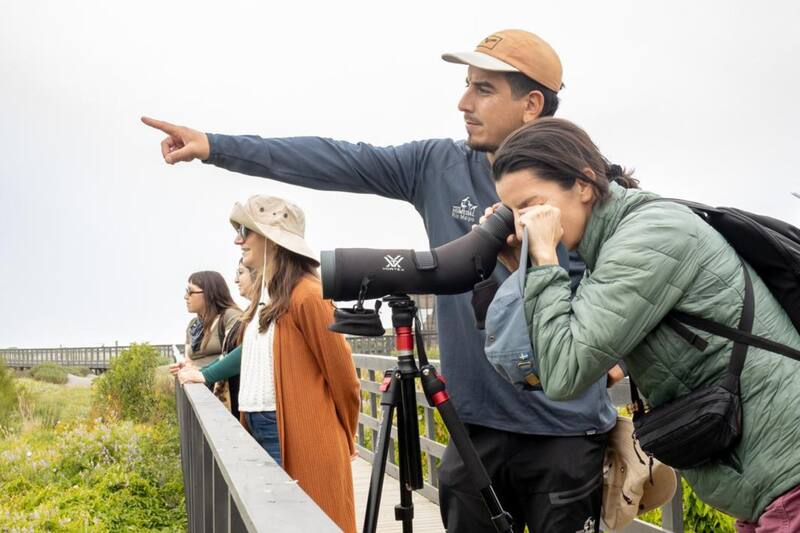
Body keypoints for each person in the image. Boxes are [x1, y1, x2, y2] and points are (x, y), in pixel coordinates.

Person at [144, 30, 621, 532]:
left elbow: (630, 282)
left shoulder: (580, 182)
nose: (463, 102)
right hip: (470, 427)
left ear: (532, 104)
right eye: (467, 85)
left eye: (484, 89)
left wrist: (619, 353)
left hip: (565, 431)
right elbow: (337, 159)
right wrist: (215, 147)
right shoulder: (437, 165)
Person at [491, 117, 800, 531]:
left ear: (584, 184)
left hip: (789, 481)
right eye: (513, 212)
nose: (523, 223)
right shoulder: (616, 241)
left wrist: (545, 263)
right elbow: (541, 367)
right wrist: (527, 268)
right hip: (772, 488)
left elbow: (565, 372)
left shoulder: (649, 236)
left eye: (530, 205)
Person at [177, 195, 360, 533]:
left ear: (273, 239)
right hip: (260, 427)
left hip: (295, 430)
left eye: (246, 230)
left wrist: (343, 436)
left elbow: (344, 378)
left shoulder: (307, 294)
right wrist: (202, 375)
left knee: (308, 523)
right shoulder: (266, 297)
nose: (238, 239)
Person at [183, 271, 241, 371]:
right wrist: (184, 367)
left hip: (220, 385)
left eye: (190, 292)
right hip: (200, 385)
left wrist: (200, 371)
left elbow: (237, 355)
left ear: (209, 293)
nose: (186, 296)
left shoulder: (230, 316)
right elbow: (188, 362)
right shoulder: (193, 325)